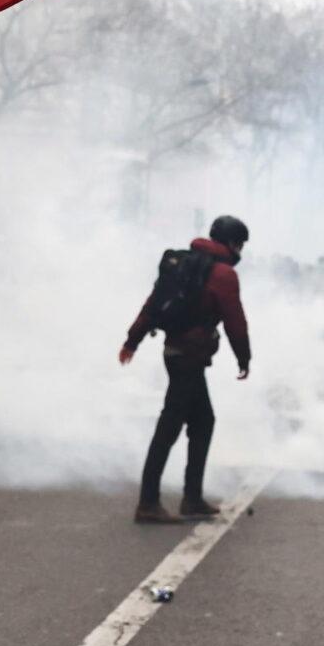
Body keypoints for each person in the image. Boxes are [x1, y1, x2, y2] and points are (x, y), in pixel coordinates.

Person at [121, 215, 252, 524]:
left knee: (203, 422)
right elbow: (235, 321)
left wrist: (133, 340)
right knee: (169, 427)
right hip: (189, 357)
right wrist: (243, 357)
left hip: (176, 352)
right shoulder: (223, 274)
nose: (240, 251)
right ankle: (148, 502)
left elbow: (152, 304)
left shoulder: (181, 263)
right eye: (240, 244)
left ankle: (192, 498)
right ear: (232, 242)